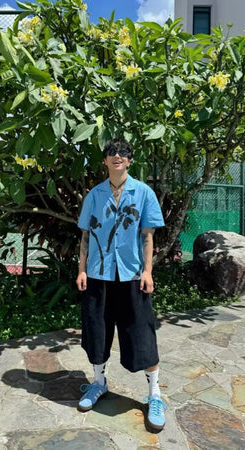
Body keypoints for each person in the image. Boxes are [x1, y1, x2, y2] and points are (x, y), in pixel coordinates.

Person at [75, 138, 168, 431]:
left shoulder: (143, 193)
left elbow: (148, 236)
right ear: (105, 160)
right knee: (97, 331)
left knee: (142, 333)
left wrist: (148, 272)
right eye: (111, 152)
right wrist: (81, 270)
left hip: (132, 275)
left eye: (123, 152)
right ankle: (99, 382)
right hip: (98, 274)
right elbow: (85, 236)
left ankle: (155, 394)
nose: (117, 155)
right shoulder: (94, 195)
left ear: (129, 159)